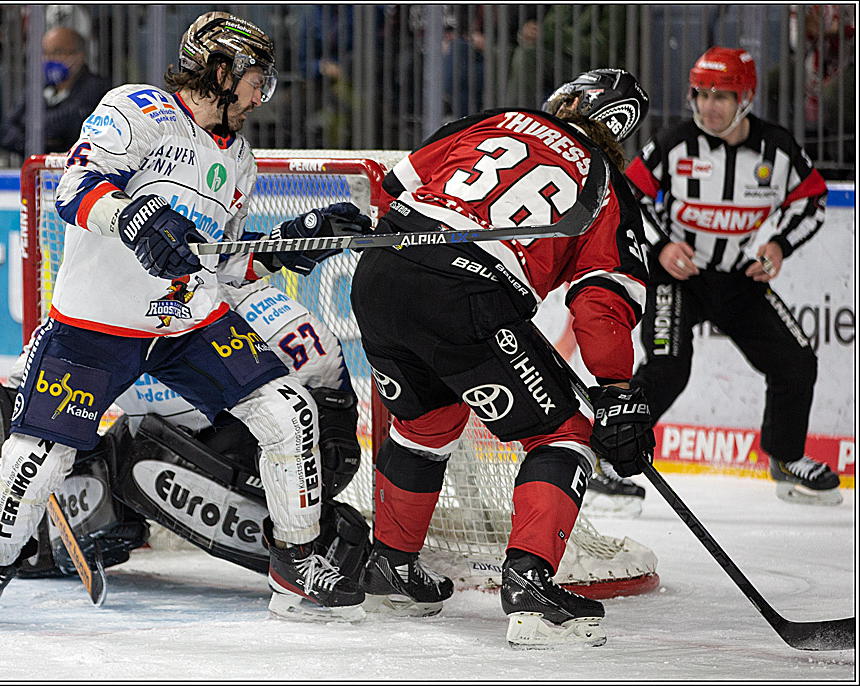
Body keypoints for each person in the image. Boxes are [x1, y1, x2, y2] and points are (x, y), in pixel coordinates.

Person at [0, 10, 372, 628]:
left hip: (190, 321)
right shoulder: (138, 110)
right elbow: (75, 187)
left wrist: (291, 242)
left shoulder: (240, 160)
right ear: (220, 71)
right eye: (255, 80)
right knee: (40, 454)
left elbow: (222, 266)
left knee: (288, 411)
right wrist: (135, 217)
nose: (260, 95)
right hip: (97, 325)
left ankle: (295, 561)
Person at [349, 69, 653, 646]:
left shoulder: (496, 120)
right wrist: (615, 391)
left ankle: (391, 566)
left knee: (426, 421)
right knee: (565, 432)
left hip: (382, 274)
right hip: (465, 292)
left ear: (565, 99)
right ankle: (531, 586)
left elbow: (395, 184)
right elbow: (601, 301)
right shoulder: (606, 186)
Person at [0, 279, 370, 586]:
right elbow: (22, 387)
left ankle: (305, 543)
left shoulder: (239, 307)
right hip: (214, 432)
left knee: (135, 453)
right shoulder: (98, 318)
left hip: (281, 446)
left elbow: (327, 402)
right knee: (108, 451)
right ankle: (70, 532)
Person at [624, 47, 840, 507]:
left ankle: (785, 459)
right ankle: (609, 456)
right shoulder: (674, 143)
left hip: (739, 279)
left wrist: (779, 245)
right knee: (666, 368)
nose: (708, 106)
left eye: (721, 96)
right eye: (700, 94)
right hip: (678, 276)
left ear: (746, 98)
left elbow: (812, 200)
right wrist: (661, 246)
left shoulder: (777, 148)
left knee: (796, 361)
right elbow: (629, 196)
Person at [0, 26, 111, 156]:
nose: (50, 59)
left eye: (58, 52)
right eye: (45, 53)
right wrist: (32, 143)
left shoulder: (96, 87)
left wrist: (27, 124)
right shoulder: (37, 87)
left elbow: (67, 125)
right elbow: (6, 131)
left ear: (79, 56)